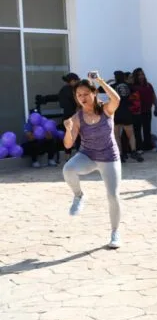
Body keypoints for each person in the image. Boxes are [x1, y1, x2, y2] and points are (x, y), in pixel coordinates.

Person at [62, 75, 124, 249]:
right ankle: (79, 196)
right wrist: (68, 130)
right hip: (88, 156)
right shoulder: (77, 118)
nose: (82, 98)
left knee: (113, 196)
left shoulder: (106, 109)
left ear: (94, 93)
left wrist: (100, 81)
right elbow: (68, 144)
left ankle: (115, 233)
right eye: (79, 95)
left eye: (85, 94)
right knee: (68, 169)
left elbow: (117, 99)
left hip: (109, 157)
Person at [111, 70, 142, 162]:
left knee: (116, 136)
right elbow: (136, 91)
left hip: (116, 113)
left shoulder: (112, 86)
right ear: (124, 77)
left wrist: (109, 82)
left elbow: (100, 89)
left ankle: (120, 155)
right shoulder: (129, 86)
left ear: (115, 78)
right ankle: (133, 152)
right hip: (127, 112)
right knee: (131, 135)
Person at [132, 68, 157, 151]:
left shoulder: (148, 85)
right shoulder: (133, 87)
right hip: (137, 112)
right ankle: (139, 148)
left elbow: (153, 96)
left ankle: (148, 146)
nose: (141, 76)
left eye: (142, 74)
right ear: (135, 76)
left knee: (147, 129)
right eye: (139, 75)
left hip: (147, 110)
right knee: (137, 131)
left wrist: (156, 107)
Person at [59, 73, 80, 158]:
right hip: (74, 115)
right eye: (76, 81)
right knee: (78, 136)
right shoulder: (73, 90)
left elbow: (61, 104)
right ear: (72, 81)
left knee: (69, 136)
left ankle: (68, 156)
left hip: (67, 116)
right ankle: (78, 156)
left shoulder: (63, 90)